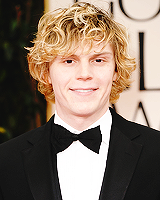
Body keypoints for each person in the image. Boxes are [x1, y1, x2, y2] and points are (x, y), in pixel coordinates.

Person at [0, 2, 160, 200]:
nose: (85, 74)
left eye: (98, 60)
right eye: (69, 61)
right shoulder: (6, 161)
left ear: (116, 71)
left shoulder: (156, 153)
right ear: (45, 72)